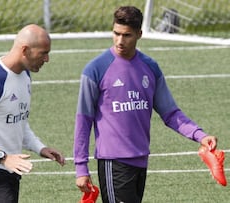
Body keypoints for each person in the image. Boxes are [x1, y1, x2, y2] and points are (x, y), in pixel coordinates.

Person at [73, 6, 219, 203]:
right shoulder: (95, 69)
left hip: (141, 160)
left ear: (139, 34)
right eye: (116, 34)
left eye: (127, 35)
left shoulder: (150, 67)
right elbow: (83, 120)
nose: (120, 41)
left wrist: (200, 135)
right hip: (113, 162)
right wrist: (81, 167)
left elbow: (171, 113)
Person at [0, 24, 65, 203]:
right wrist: (3, 157)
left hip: (9, 169)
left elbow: (19, 122)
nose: (47, 59)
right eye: (43, 53)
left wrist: (40, 148)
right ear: (25, 50)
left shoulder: (24, 75)